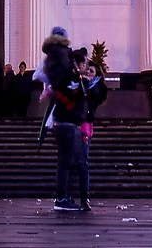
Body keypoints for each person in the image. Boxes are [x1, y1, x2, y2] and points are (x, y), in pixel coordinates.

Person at [40, 28, 105, 212]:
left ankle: (65, 197)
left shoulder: (55, 59)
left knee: (68, 161)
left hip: (66, 120)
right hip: (69, 121)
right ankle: (62, 198)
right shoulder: (63, 61)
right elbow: (69, 89)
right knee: (70, 161)